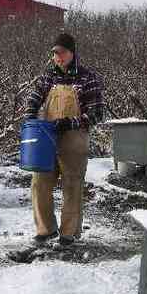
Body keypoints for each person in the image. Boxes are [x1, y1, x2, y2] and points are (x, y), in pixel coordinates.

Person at [23, 32, 104, 246]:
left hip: (74, 140)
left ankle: (69, 233)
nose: (57, 57)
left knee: (72, 186)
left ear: (72, 53)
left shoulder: (87, 78)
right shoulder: (49, 76)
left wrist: (70, 122)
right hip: (47, 139)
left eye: (61, 53)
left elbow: (96, 113)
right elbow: (35, 96)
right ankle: (46, 229)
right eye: (54, 53)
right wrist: (31, 113)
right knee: (39, 182)